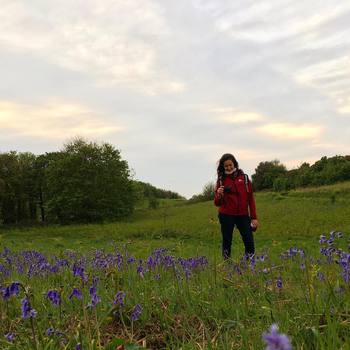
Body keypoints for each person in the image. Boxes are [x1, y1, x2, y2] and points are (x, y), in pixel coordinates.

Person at [214, 153, 258, 259]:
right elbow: (217, 203)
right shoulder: (221, 180)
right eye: (226, 166)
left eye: (230, 165)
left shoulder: (245, 179)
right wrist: (219, 194)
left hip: (242, 214)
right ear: (223, 167)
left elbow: (250, 199)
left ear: (235, 164)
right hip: (226, 215)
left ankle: (249, 263)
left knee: (249, 240)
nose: (229, 167)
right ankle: (226, 264)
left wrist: (254, 218)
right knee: (227, 241)